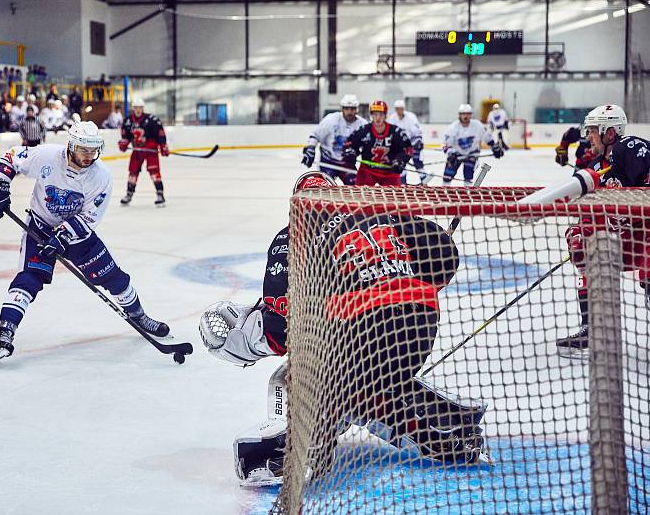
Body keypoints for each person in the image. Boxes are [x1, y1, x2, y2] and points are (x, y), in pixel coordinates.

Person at [198, 171, 489, 486]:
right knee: (371, 388)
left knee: (296, 373)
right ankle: (451, 429)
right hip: (420, 325)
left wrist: (252, 341)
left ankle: (304, 449)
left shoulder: (292, 235)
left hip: (357, 333)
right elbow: (444, 259)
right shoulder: (378, 213)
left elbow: (281, 324)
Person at [0, 121, 170, 364]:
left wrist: (62, 236)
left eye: (93, 150)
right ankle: (4, 334)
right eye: (83, 150)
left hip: (77, 233)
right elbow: (12, 156)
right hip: (40, 226)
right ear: (71, 145)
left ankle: (139, 316)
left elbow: (90, 216)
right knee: (29, 278)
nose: (89, 156)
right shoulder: (47, 156)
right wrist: (0, 183)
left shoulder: (101, 176)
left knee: (114, 277)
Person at [556, 105, 650, 357]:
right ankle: (591, 328)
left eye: (594, 131)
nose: (589, 137)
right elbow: (589, 208)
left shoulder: (628, 147)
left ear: (610, 133)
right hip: (627, 234)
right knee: (580, 238)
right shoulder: (597, 164)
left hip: (646, 231)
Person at [343, 100, 413, 186]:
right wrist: (351, 154)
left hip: (389, 172)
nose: (378, 118)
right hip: (367, 171)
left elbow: (407, 149)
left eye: (381, 114)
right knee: (360, 196)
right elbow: (349, 145)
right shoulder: (363, 130)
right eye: (375, 114)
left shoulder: (396, 131)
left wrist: (400, 161)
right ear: (371, 115)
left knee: (394, 197)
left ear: (385, 115)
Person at [301, 94, 367, 185]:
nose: (349, 112)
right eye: (346, 109)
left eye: (352, 109)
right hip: (328, 162)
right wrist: (310, 148)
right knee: (324, 187)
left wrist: (356, 152)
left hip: (347, 163)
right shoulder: (331, 119)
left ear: (356, 109)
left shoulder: (363, 124)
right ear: (342, 109)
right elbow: (316, 135)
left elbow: (368, 145)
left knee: (354, 186)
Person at [118, 98, 169, 207]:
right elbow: (125, 136)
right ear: (133, 108)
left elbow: (160, 133)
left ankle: (160, 195)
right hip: (137, 150)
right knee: (133, 172)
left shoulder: (152, 119)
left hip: (151, 150)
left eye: (140, 107)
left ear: (143, 108)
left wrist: (163, 145)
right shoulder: (128, 121)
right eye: (136, 107)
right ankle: (129, 194)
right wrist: (124, 143)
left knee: (154, 172)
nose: (138, 110)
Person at [442, 104, 503, 185]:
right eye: (463, 114)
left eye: (468, 113)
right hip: (456, 154)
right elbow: (446, 144)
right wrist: (450, 154)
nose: (465, 116)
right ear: (459, 115)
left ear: (471, 115)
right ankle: (445, 191)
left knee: (468, 175)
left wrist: (495, 148)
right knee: (447, 175)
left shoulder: (477, 125)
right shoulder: (453, 128)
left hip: (472, 154)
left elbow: (487, 137)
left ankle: (467, 193)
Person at [387, 99, 426, 184]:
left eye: (400, 108)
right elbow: (389, 133)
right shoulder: (392, 118)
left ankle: (424, 182)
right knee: (401, 164)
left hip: (412, 144)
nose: (399, 111)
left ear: (403, 108)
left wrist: (418, 142)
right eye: (397, 109)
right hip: (400, 147)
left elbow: (417, 132)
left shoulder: (411, 117)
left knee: (418, 163)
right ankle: (402, 184)